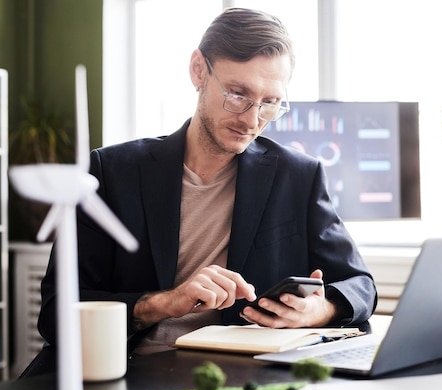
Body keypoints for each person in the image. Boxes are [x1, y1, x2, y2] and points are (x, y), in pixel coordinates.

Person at [37, 7, 377, 355]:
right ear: (199, 70)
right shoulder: (112, 171)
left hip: (240, 374)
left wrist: (322, 310)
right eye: (238, 95)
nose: (252, 119)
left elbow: (361, 286)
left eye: (270, 103)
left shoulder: (299, 177)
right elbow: (56, 311)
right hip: (127, 368)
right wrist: (166, 303)